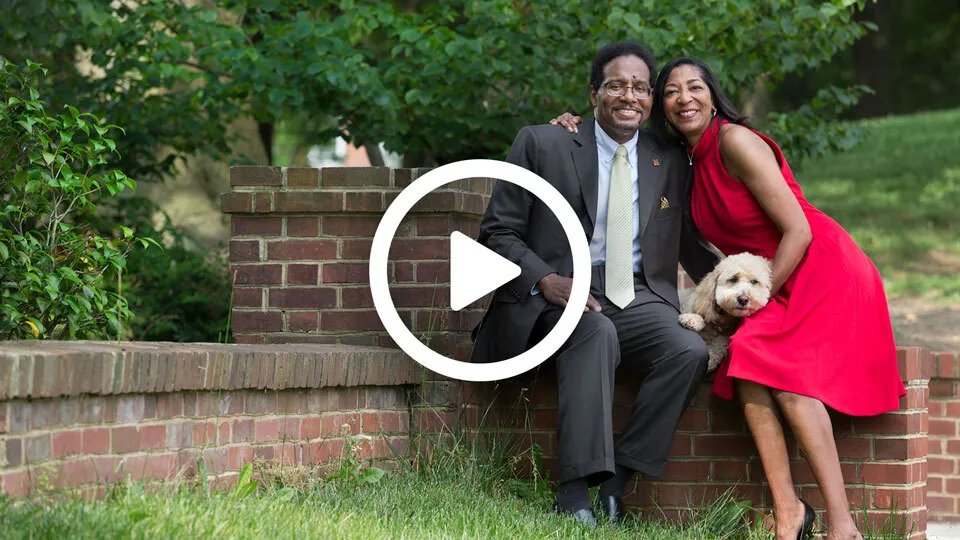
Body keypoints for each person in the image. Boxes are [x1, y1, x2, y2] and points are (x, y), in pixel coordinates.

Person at [552, 57, 906, 540]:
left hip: (820, 269)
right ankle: (789, 512)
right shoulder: (684, 159)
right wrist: (574, 121)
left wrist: (753, 300)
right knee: (748, 358)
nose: (684, 98)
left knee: (790, 378)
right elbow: (614, 128)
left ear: (714, 96)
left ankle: (843, 526)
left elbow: (798, 230)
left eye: (695, 87)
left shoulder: (735, 141)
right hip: (770, 278)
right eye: (671, 91)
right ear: (661, 106)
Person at [470, 42, 721, 527]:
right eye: (616, 85)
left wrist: (746, 288)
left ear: (651, 99)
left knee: (687, 351)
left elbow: (691, 242)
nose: (629, 96)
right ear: (593, 95)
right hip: (552, 296)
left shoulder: (668, 159)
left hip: (637, 296)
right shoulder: (543, 144)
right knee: (594, 332)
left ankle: (614, 484)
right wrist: (546, 280)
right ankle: (572, 496)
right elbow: (497, 232)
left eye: (641, 88)